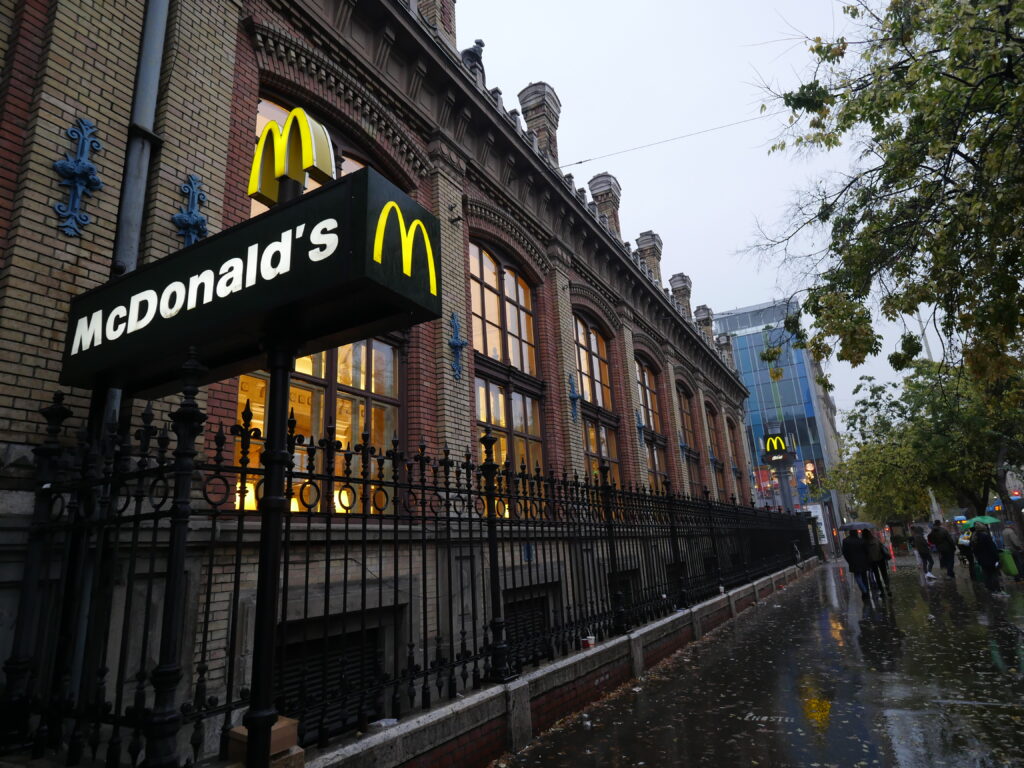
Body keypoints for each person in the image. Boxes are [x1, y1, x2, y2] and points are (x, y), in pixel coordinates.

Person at [971, 523, 1008, 597]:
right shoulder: (985, 536)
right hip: (990, 559)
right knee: (994, 574)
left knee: (987, 574)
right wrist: (997, 558)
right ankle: (997, 590)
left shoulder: (974, 538)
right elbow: (992, 548)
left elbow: (974, 550)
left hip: (982, 560)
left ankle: (990, 589)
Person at [842, 529, 872, 599]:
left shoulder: (846, 541)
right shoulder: (861, 540)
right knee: (864, 577)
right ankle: (866, 591)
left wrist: (849, 561)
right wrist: (867, 560)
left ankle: (864, 591)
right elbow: (867, 551)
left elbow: (844, 553)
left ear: (850, 532)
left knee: (857, 576)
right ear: (856, 533)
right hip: (863, 561)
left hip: (853, 562)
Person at [862, 529, 892, 596]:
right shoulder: (875, 539)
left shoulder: (864, 543)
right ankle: (888, 588)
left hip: (872, 562)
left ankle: (882, 591)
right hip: (881, 559)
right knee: (884, 574)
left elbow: (865, 554)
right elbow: (882, 548)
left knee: (877, 576)